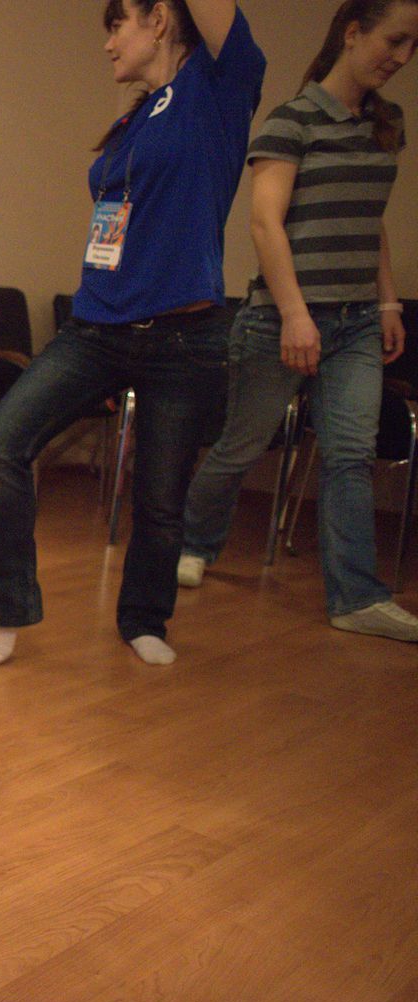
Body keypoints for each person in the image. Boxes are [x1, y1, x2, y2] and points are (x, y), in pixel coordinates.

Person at [0, 0, 266, 669]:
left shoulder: (218, 91)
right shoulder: (135, 118)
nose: (108, 44)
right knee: (2, 444)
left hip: (184, 339)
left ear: (159, 20)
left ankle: (144, 619)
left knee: (160, 497)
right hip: (96, 329)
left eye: (117, 25)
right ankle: (8, 611)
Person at [178, 0, 418, 642]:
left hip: (358, 323)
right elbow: (265, 223)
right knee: (241, 446)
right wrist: (294, 315)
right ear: (353, 33)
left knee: (350, 454)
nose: (401, 58)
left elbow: (369, 223)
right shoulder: (291, 120)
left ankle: (356, 598)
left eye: (412, 47)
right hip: (280, 319)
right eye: (394, 41)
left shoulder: (386, 125)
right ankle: (194, 541)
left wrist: (388, 302)